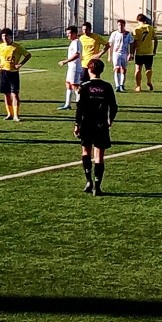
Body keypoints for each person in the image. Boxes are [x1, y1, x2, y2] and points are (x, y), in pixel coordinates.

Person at [75, 58, 118, 196]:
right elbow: (114, 106)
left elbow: (79, 108)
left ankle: (88, 181)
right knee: (99, 156)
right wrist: (110, 120)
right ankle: (97, 187)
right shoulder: (107, 86)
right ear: (101, 70)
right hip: (101, 124)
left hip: (86, 123)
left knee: (86, 152)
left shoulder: (84, 86)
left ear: (89, 70)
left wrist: (77, 124)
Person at [0, 28, 32, 122]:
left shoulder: (17, 47)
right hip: (4, 72)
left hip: (13, 73)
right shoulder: (0, 46)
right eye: (3, 36)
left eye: (6, 36)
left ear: (10, 36)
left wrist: (20, 64)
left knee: (15, 94)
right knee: (6, 94)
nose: (4, 38)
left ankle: (16, 115)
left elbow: (28, 55)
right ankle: (9, 113)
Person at [57, 25, 82, 110]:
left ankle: (80, 104)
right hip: (71, 68)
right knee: (68, 85)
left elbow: (77, 54)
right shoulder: (73, 42)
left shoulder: (76, 42)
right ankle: (67, 104)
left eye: (69, 33)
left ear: (74, 33)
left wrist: (65, 61)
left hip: (75, 68)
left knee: (75, 86)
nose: (67, 35)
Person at [132, 13, 158, 92]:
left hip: (139, 52)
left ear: (137, 20)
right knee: (149, 68)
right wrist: (154, 50)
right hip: (149, 52)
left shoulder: (136, 29)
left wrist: (132, 52)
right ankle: (149, 81)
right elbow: (156, 39)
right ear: (145, 20)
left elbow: (135, 41)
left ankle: (138, 86)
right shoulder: (150, 28)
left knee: (138, 70)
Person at [107, 19, 134, 92]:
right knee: (116, 69)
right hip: (116, 54)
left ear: (124, 25)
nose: (120, 27)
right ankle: (117, 85)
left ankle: (122, 85)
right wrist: (109, 56)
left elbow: (131, 43)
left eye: (122, 25)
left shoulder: (128, 34)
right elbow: (110, 45)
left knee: (123, 69)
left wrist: (131, 54)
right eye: (119, 25)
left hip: (124, 53)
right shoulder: (114, 34)